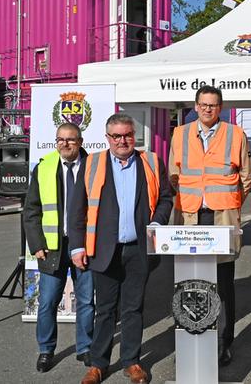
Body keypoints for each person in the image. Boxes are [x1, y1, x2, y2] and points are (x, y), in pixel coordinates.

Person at [69, 113, 173, 384]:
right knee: (104, 309)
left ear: (134, 136)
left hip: (138, 249)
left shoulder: (150, 161)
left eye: (127, 134)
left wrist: (156, 222)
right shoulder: (93, 164)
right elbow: (77, 208)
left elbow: (165, 198)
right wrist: (76, 247)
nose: (123, 140)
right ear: (108, 138)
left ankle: (131, 362)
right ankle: (98, 364)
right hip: (104, 251)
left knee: (133, 308)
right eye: (117, 136)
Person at [168, 86, 251, 367]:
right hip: (190, 218)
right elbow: (174, 176)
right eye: (203, 104)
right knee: (190, 281)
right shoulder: (180, 134)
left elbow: (246, 179)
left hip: (221, 218)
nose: (207, 109)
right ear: (195, 106)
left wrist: (230, 205)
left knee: (223, 284)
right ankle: (193, 335)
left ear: (221, 107)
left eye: (213, 105)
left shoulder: (235, 134)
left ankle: (222, 344)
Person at [23, 122, 94, 373]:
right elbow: (31, 211)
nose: (65, 144)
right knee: (48, 302)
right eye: (60, 139)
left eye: (71, 140)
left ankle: (85, 348)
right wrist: (37, 244)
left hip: (84, 245)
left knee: (86, 300)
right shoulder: (44, 167)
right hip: (52, 247)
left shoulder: (94, 167)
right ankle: (46, 349)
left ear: (81, 141)